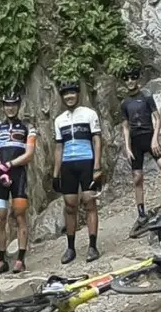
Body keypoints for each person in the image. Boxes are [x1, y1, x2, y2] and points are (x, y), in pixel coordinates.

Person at [120, 67, 161, 223]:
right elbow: (125, 126)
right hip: (135, 142)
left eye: (133, 77)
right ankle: (141, 212)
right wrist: (127, 147)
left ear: (138, 79)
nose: (130, 81)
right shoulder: (125, 103)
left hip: (149, 137)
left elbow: (158, 119)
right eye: (126, 79)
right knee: (137, 177)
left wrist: (155, 139)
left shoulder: (146, 97)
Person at [52, 80, 102, 264]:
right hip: (68, 165)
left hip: (87, 162)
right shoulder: (59, 120)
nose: (69, 96)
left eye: (72, 93)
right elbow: (58, 147)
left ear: (78, 94)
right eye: (65, 94)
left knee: (90, 203)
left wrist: (97, 165)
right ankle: (71, 248)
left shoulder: (89, 114)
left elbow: (97, 140)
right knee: (70, 205)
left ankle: (93, 246)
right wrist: (56, 173)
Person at [0, 92, 37, 274]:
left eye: (14, 104)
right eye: (7, 104)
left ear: (18, 105)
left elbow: (29, 154)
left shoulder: (27, 128)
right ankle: (1, 260)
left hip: (18, 175)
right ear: (3, 106)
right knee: (0, 216)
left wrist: (8, 165)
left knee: (20, 215)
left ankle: (21, 259)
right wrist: (0, 169)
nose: (10, 107)